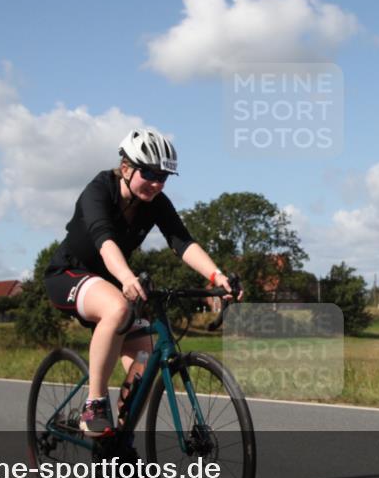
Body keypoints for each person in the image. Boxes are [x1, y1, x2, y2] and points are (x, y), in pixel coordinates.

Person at [44, 129, 241, 438]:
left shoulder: (155, 202)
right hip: (69, 274)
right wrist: (126, 277)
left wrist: (218, 276)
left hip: (110, 281)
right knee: (118, 307)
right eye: (149, 173)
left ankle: (118, 440)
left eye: (163, 176)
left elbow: (182, 242)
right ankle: (94, 405)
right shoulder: (99, 190)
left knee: (145, 355)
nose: (157, 183)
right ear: (125, 168)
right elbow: (104, 240)